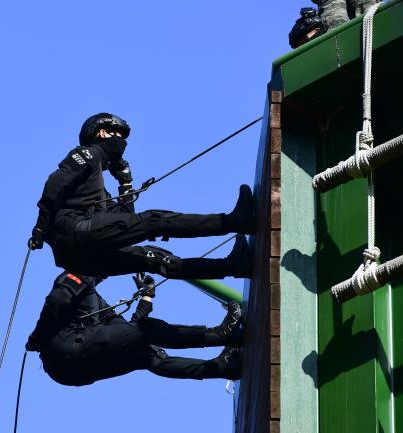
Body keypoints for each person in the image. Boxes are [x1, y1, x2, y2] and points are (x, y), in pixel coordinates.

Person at [28, 113, 255, 281]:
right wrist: (40, 228)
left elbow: (125, 222)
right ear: (102, 133)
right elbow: (55, 184)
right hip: (74, 231)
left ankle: (233, 266)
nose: (121, 140)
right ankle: (234, 222)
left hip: (82, 258)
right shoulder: (88, 154)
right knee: (155, 220)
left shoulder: (98, 190)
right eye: (117, 133)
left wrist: (125, 184)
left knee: (154, 259)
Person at [25, 271, 242, 386]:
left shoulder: (94, 301)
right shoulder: (78, 273)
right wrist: (37, 336)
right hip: (66, 350)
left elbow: (126, 330)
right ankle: (220, 334)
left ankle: (221, 368)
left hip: (69, 372)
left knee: (145, 356)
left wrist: (146, 297)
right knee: (146, 332)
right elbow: (57, 300)